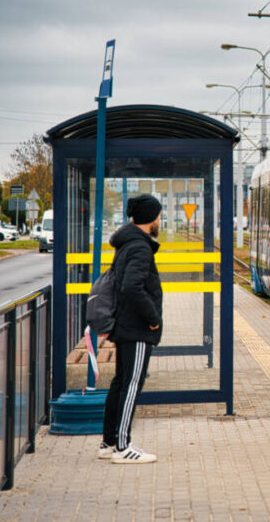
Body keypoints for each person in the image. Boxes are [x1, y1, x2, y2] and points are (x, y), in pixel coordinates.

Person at [98, 194, 164, 464]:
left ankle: (108, 442)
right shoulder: (139, 247)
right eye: (159, 215)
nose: (160, 220)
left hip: (125, 325)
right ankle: (123, 447)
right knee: (132, 384)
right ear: (151, 218)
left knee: (120, 383)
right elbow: (131, 287)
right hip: (136, 327)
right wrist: (153, 318)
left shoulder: (127, 243)